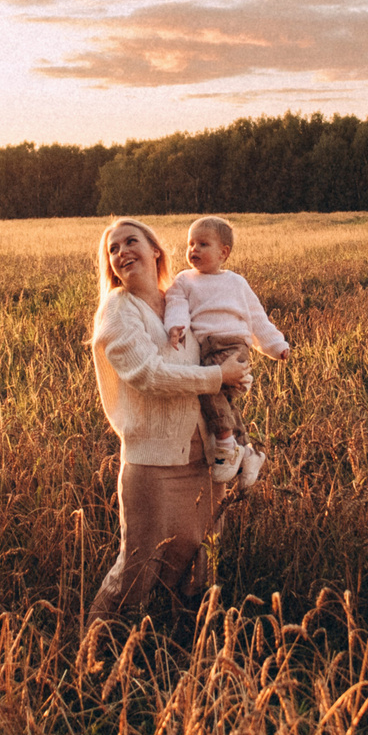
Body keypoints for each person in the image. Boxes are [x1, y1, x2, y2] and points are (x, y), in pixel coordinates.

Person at [87, 217, 251, 624]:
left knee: (197, 564)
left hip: (204, 460)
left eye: (131, 241)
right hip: (153, 464)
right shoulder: (117, 310)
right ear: (110, 265)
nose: (122, 251)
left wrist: (238, 370)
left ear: (155, 250)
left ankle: (178, 655)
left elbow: (217, 343)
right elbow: (149, 374)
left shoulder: (179, 300)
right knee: (134, 573)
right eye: (113, 249)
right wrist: (218, 376)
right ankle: (92, 661)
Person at [163, 215, 291, 488]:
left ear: (224, 253)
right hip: (205, 348)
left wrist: (276, 345)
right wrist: (175, 326)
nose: (193, 250)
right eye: (191, 244)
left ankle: (225, 444)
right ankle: (248, 451)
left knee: (209, 390)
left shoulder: (236, 283)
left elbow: (257, 317)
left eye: (203, 244)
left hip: (234, 347)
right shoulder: (184, 280)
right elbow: (175, 303)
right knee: (225, 401)